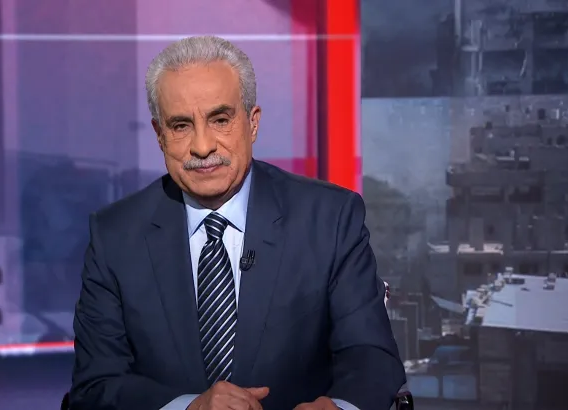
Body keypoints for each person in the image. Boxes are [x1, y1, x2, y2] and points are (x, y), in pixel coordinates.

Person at [69, 35, 405, 410]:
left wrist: (339, 407)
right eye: (180, 126)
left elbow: (370, 355)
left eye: (220, 120)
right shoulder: (116, 236)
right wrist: (188, 407)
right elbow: (94, 386)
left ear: (253, 123)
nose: (202, 147)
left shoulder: (329, 218)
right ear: (160, 136)